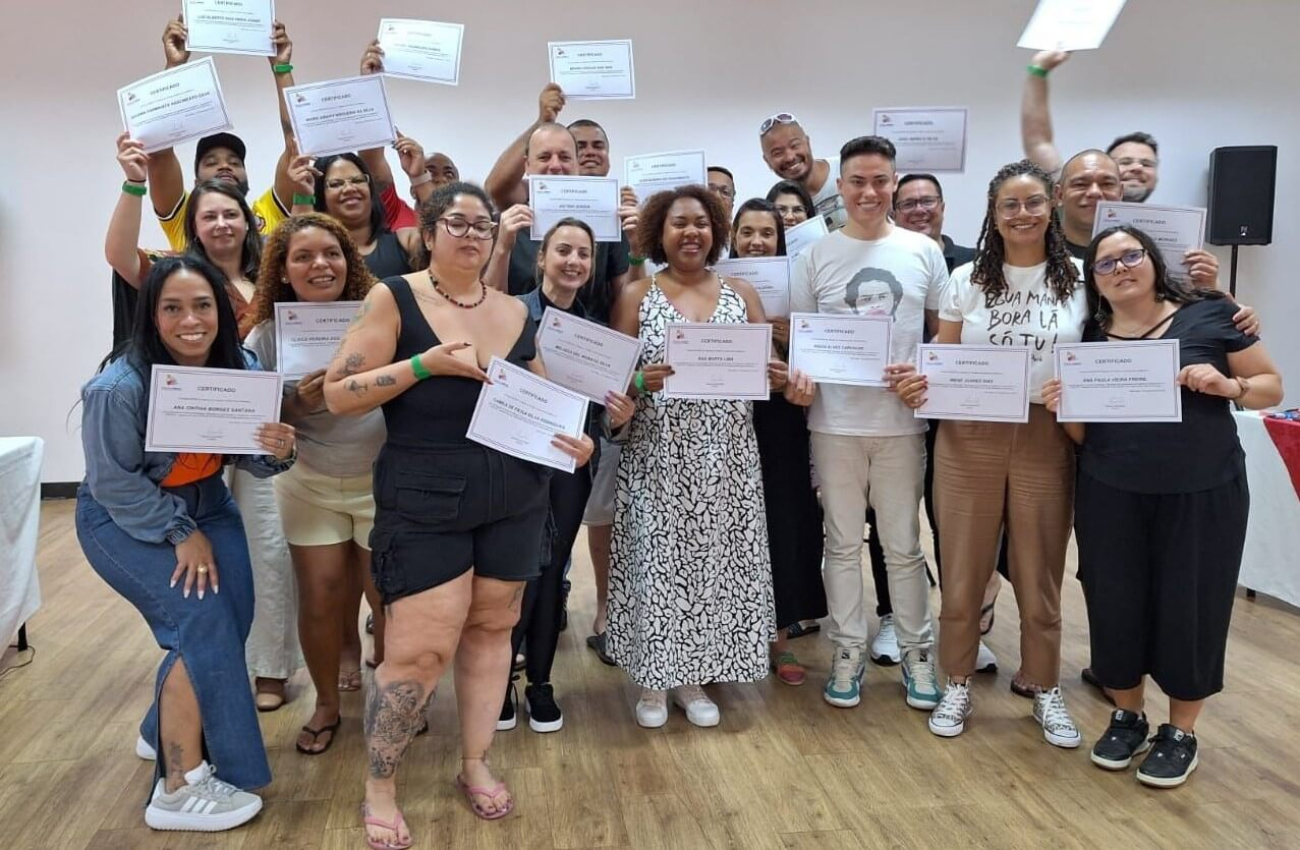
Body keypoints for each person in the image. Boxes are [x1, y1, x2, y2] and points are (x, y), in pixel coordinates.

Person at [323, 182, 593, 845]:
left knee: (492, 629)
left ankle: (474, 763)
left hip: (516, 494)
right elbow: (338, 394)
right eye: (457, 222)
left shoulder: (512, 310)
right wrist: (421, 365)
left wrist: (576, 436)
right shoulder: (394, 296)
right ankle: (380, 784)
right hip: (424, 494)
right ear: (429, 230)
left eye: (483, 224)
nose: (471, 234)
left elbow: (541, 396)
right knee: (418, 651)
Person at [1047, 225, 1281, 787]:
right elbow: (1083, 436)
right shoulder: (1087, 338)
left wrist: (1229, 387)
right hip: (1111, 491)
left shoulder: (1209, 314)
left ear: (1152, 260)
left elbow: (1271, 385)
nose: (1121, 268)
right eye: (1105, 264)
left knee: (1191, 605)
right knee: (1114, 601)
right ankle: (1127, 715)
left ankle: (1181, 732)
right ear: (1094, 282)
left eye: (1131, 256)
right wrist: (1065, 406)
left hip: (1203, 490)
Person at [77, 254, 296, 831]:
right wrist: (180, 532)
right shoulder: (117, 388)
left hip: (208, 500)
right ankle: (178, 786)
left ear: (222, 311)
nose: (190, 320)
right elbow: (113, 483)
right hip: (126, 515)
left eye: (202, 305)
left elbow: (253, 461)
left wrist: (279, 449)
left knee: (237, 612)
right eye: (171, 308)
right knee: (203, 624)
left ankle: (161, 727)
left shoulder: (241, 367)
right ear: (152, 316)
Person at [107, 135, 302, 710]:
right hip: (185, 443)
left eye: (231, 214)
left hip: (256, 438)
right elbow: (120, 257)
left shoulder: (274, 279)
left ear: (249, 220)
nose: (222, 223)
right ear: (194, 225)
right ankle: (211, 667)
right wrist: (132, 184)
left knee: (267, 547)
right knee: (201, 558)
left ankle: (270, 667)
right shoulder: (176, 276)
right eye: (209, 215)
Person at [608, 184, 811, 729]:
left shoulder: (742, 293)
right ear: (659, 232)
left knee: (709, 569)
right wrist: (635, 382)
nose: (691, 231)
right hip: (658, 454)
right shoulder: (635, 295)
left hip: (726, 456)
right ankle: (653, 681)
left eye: (701, 222)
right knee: (657, 566)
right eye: (678, 223)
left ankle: (693, 678)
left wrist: (783, 377)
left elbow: (768, 370)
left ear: (716, 232)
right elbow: (611, 387)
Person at [899, 160, 1086, 748]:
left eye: (1033, 202)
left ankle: (1044, 684)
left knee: (1040, 570)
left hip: (1045, 434)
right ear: (993, 213)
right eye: (1010, 204)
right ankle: (956, 678)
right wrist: (918, 381)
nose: (1023, 213)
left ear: (1052, 206)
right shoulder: (966, 280)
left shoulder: (1081, 280)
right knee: (963, 568)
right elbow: (942, 360)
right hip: (968, 435)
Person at [789, 136, 945, 713]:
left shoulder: (922, 252)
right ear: (841, 187)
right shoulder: (817, 256)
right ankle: (849, 648)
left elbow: (941, 339)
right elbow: (804, 342)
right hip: (834, 425)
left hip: (903, 425)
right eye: (858, 181)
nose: (870, 192)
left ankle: (916, 651)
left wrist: (926, 375)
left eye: (881, 181)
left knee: (903, 546)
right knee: (841, 545)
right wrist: (798, 382)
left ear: (894, 184)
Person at [244, 214, 385, 755]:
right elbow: (254, 415)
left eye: (331, 253)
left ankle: (390, 699)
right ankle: (327, 703)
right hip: (309, 481)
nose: (319, 264)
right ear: (283, 270)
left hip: (380, 477)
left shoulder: (379, 317)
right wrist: (294, 404)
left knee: (386, 599)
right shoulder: (266, 334)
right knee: (321, 598)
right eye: (302, 256)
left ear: (349, 261)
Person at [499, 218, 635, 732]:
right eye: (563, 251)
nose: (574, 261)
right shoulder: (511, 314)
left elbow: (601, 417)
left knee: (552, 571)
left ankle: (540, 683)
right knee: (513, 573)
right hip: (512, 463)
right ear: (540, 257)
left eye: (584, 253)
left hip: (569, 467)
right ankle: (499, 682)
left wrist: (615, 419)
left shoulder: (597, 334)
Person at [893, 171, 1002, 675]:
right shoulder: (889, 259)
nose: (919, 209)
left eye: (927, 201)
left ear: (943, 206)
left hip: (960, 416)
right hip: (894, 408)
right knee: (893, 523)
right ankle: (893, 617)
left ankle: (967, 625)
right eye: (908, 202)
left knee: (956, 526)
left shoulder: (978, 269)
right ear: (895, 210)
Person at [730, 199, 827, 685]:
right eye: (746, 232)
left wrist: (793, 343)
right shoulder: (719, 284)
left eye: (766, 233)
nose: (756, 242)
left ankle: (781, 639)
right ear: (732, 238)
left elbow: (827, 354)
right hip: (729, 416)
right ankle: (728, 638)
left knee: (784, 523)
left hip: (782, 416)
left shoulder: (802, 284)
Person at [149, 17, 299, 249]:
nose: (225, 166)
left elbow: (296, 145)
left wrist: (281, 68)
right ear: (197, 181)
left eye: (234, 162)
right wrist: (174, 67)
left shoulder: (267, 211)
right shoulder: (184, 218)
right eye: (211, 162)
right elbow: (159, 152)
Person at [1021, 51, 1161, 202]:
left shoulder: (1170, 223)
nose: (1137, 168)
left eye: (1147, 164)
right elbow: (1038, 142)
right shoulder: (1072, 201)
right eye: (1125, 162)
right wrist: (1038, 70)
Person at [759, 113, 846, 230]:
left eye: (794, 145)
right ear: (767, 162)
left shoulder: (847, 169)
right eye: (777, 153)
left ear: (808, 143)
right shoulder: (778, 205)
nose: (790, 157)